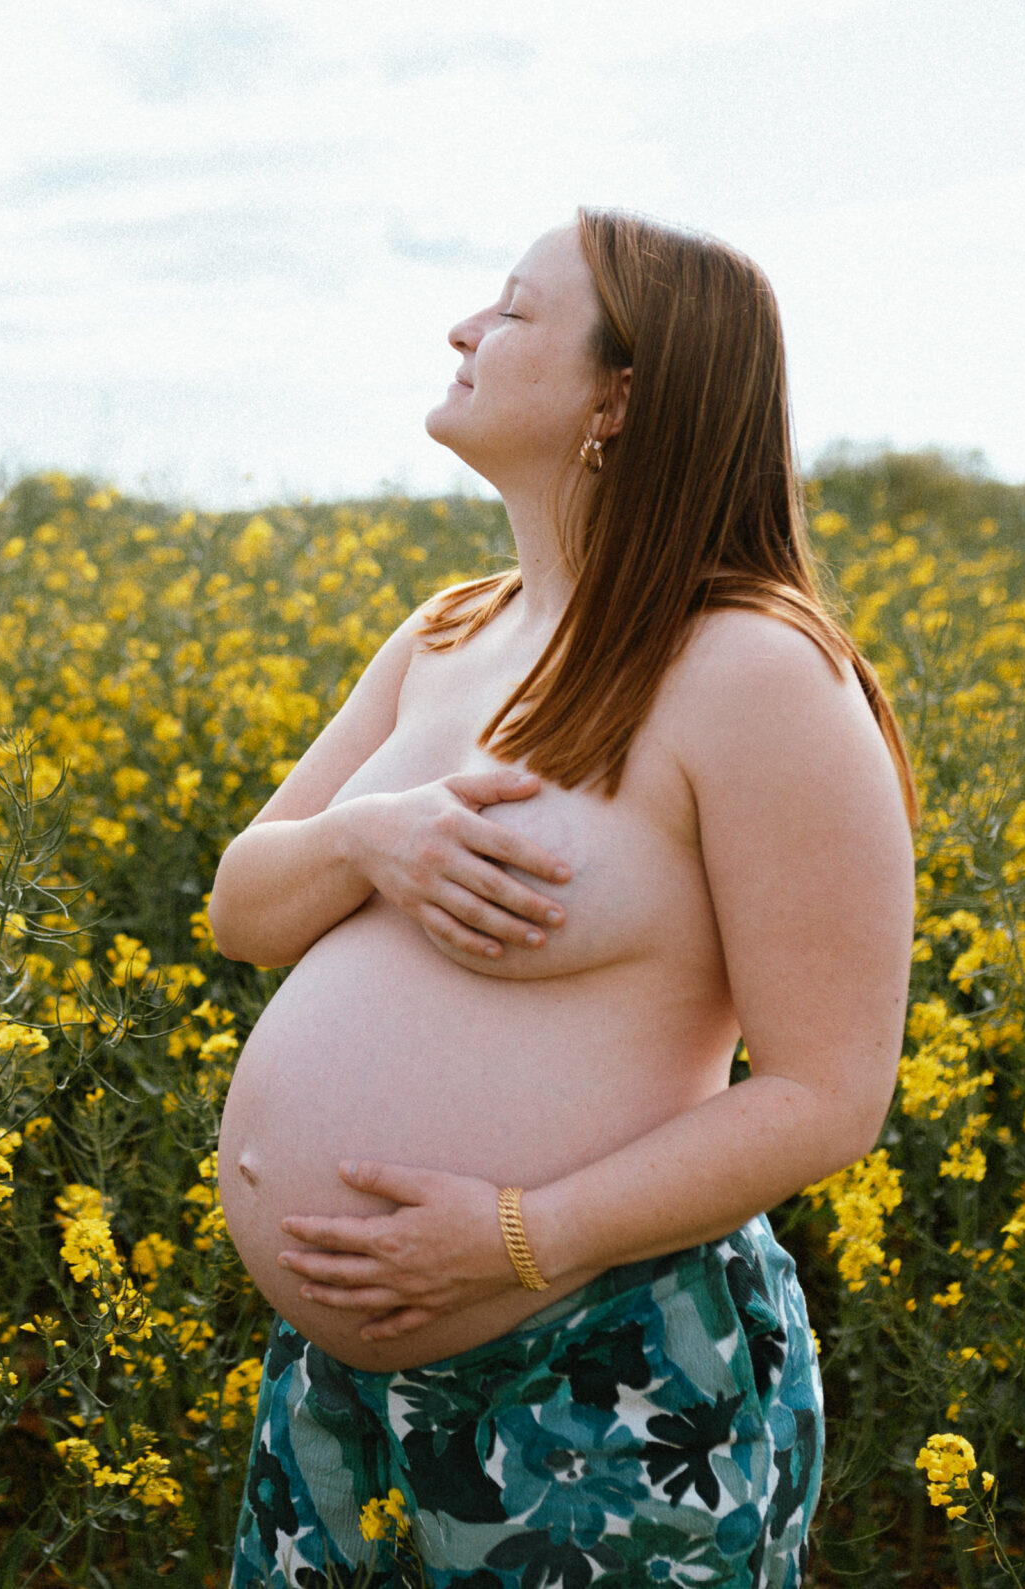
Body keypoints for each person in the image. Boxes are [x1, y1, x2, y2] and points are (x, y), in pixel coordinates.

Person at [206, 207, 916, 1588]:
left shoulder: (754, 671)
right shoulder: (448, 631)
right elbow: (244, 905)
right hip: (340, 1397)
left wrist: (523, 1239)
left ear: (621, 395)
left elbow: (832, 1090)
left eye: (514, 310)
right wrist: (371, 842)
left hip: (602, 1381)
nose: (464, 330)